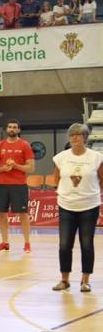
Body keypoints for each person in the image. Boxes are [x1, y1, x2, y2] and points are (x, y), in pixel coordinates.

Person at [52, 123, 102, 293]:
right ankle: (64, 280)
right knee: (65, 244)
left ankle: (85, 280)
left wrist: (91, 193)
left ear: (85, 138)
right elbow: (55, 180)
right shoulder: (61, 158)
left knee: (87, 244)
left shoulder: (96, 157)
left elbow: (102, 180)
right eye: (71, 135)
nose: (74, 137)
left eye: (78, 134)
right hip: (66, 206)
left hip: (89, 206)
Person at [0, 119, 35, 254]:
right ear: (6, 129)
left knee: (23, 214)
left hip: (19, 184)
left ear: (18, 130)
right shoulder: (0, 145)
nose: (12, 129)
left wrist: (16, 166)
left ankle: (27, 243)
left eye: (14, 127)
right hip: (3, 184)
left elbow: (31, 168)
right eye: (10, 127)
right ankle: (5, 242)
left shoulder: (25, 145)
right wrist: (3, 168)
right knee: (2, 214)